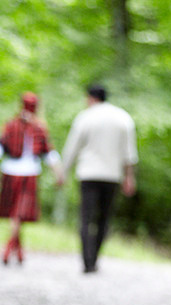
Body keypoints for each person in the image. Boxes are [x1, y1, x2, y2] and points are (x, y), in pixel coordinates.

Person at [56, 84, 138, 273]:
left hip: (88, 174)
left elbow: (72, 148)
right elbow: (129, 153)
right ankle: (95, 258)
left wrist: (63, 172)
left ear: (91, 98)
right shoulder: (123, 118)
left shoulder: (85, 117)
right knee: (104, 219)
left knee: (86, 218)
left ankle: (87, 261)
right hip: (112, 176)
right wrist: (129, 177)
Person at [0, 92, 60, 265]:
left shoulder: (25, 126)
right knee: (17, 214)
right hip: (16, 172)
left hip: (25, 173)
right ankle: (13, 249)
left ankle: (11, 248)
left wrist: (58, 173)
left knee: (18, 214)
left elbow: (47, 153)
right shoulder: (19, 126)